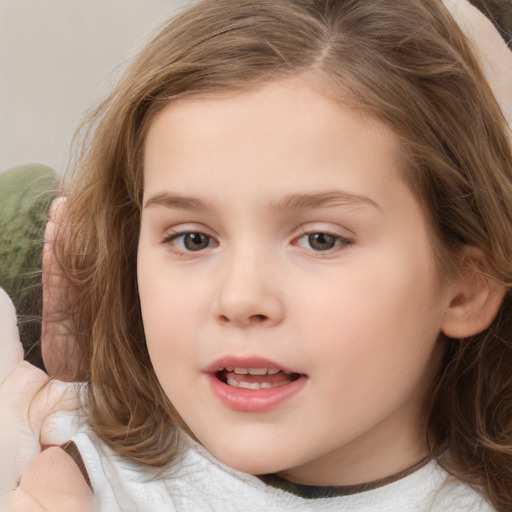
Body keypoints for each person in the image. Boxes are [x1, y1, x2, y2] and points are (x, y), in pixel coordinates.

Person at [6, 0, 512, 510]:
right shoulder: (72, 481)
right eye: (193, 239)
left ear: (467, 284)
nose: (241, 298)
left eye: (320, 239)